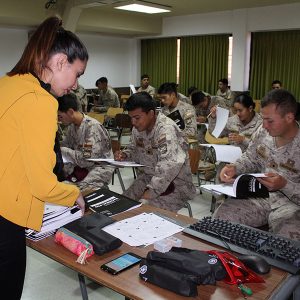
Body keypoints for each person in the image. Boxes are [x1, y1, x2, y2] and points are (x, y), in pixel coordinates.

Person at [0, 16, 87, 300]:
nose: (75, 85)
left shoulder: (9, 83)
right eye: (77, 74)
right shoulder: (40, 101)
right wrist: (72, 193)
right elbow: (42, 184)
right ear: (60, 62)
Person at [214, 89, 300, 241]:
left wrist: (284, 184)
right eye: (263, 119)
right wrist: (235, 167)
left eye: (270, 121)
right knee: (221, 218)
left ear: (289, 117)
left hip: (291, 205)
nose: (264, 125)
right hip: (261, 196)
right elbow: (251, 157)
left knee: (287, 241)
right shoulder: (263, 131)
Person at [114, 92, 196, 212]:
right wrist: (125, 154)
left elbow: (169, 166)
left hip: (176, 184)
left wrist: (150, 191)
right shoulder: (138, 128)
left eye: (137, 118)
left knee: (141, 210)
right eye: (130, 117)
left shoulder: (165, 130)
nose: (133, 122)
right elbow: (134, 149)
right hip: (149, 177)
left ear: (151, 113)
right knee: (121, 204)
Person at [58, 93, 114, 191]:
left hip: (98, 169)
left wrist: (63, 150)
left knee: (76, 192)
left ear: (70, 112)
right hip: (80, 167)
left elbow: (86, 160)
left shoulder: (92, 128)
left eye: (60, 116)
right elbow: (65, 145)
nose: (59, 120)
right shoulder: (72, 126)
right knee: (58, 186)